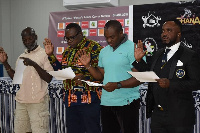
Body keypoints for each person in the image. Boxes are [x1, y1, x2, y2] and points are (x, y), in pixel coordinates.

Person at [133, 19, 200, 133]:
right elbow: (151, 75)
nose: (164, 34)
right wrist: (139, 61)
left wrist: (171, 84)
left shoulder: (189, 55)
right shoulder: (158, 53)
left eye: (169, 30)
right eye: (163, 30)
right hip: (158, 116)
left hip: (179, 117)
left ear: (179, 34)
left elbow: (196, 82)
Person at [79, 20, 142, 133]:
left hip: (127, 102)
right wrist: (88, 66)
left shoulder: (133, 48)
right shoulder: (104, 52)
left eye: (112, 37)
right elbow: (101, 76)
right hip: (107, 102)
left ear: (121, 33)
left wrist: (118, 85)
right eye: (106, 37)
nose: (109, 40)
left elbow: (139, 78)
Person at [43, 23, 102, 133]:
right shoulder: (67, 52)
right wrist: (51, 56)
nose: (69, 41)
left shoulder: (94, 48)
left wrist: (85, 77)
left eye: (72, 37)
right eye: (67, 38)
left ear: (80, 34)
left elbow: (101, 74)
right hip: (71, 101)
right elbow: (61, 70)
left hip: (89, 102)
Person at [0, 27, 53, 133]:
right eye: (25, 40)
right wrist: (5, 63)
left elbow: (49, 78)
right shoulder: (21, 57)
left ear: (35, 37)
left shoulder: (44, 54)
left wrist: (33, 64)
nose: (27, 42)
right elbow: (16, 79)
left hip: (38, 103)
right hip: (21, 103)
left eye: (30, 38)